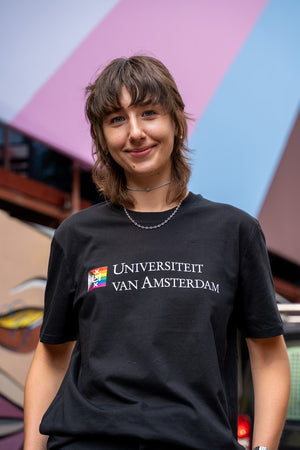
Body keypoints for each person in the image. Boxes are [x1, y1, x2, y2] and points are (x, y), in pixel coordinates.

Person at [24, 55, 290, 450]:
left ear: (175, 120)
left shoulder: (234, 231)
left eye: (149, 113)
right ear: (101, 136)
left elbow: (268, 357)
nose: (135, 133)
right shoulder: (76, 234)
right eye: (116, 120)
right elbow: (51, 356)